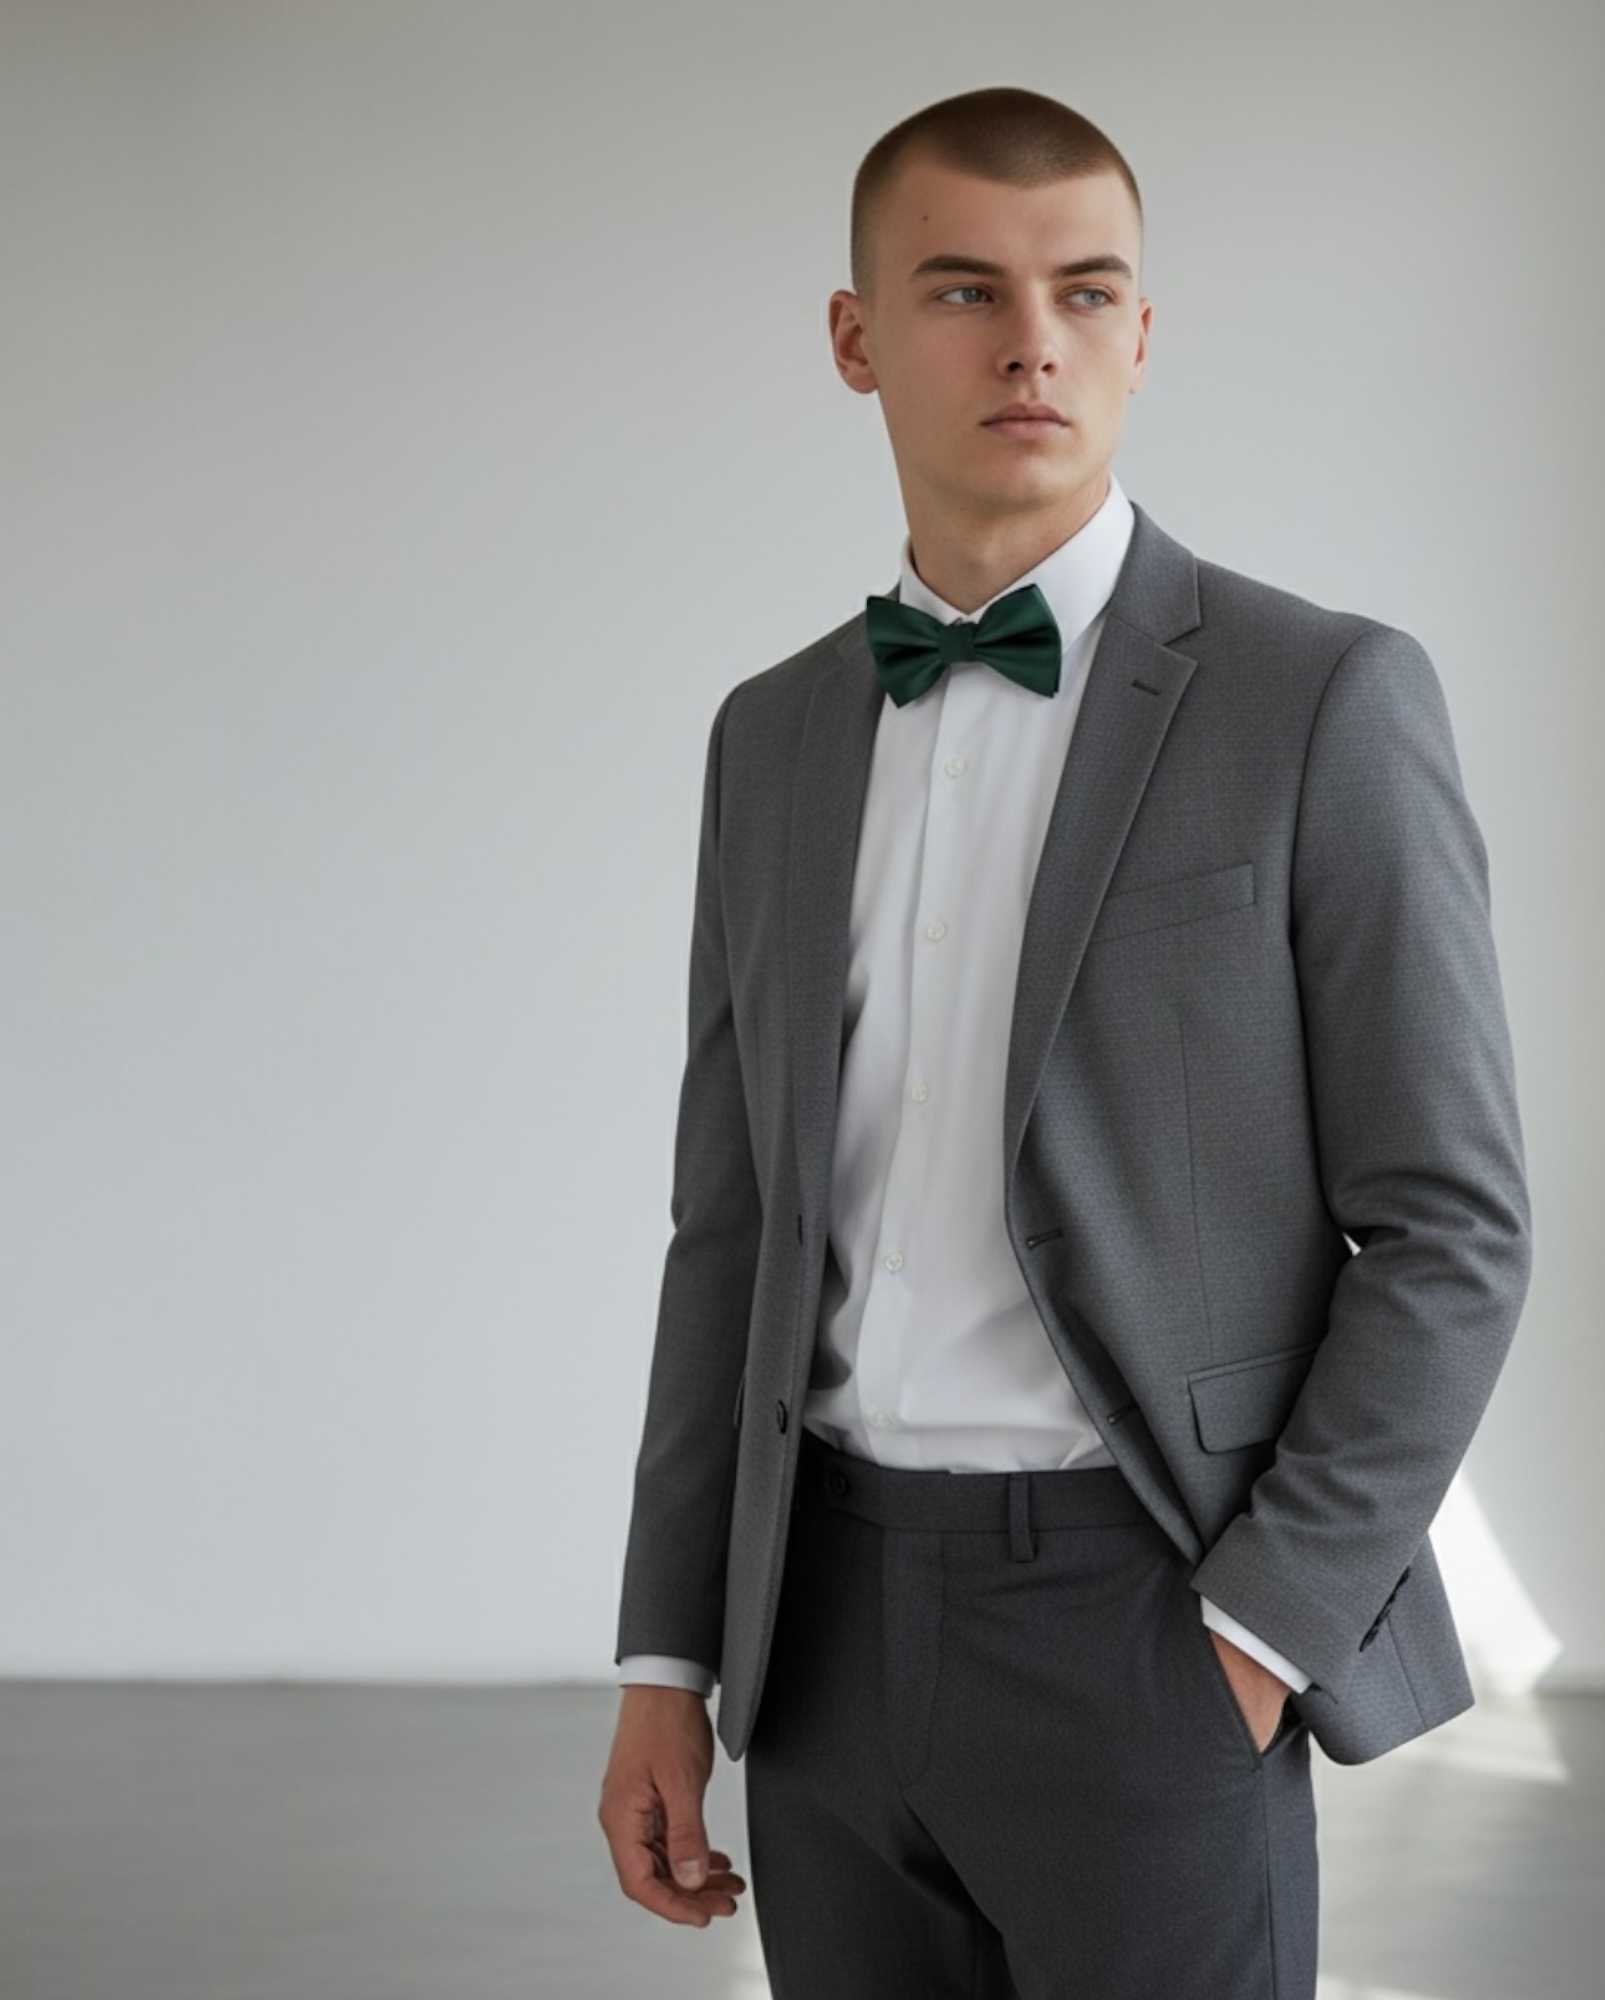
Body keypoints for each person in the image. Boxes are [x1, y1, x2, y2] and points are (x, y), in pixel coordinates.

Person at [598, 85, 1530, 2000]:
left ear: (1142, 333)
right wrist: (668, 1662)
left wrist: (1260, 1634)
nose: (1034, 341)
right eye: (964, 290)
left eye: (1087, 291)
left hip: (1150, 1621)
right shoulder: (771, 739)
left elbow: (1454, 1227)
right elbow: (730, 1229)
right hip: (822, 1636)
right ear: (856, 337)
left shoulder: (1321, 699)